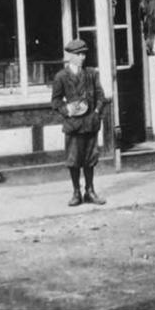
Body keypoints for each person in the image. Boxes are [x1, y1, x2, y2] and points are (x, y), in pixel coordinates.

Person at [51, 38, 111, 207]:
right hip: (73, 125)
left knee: (90, 159)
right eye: (78, 54)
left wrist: (97, 113)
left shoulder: (92, 73)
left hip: (90, 123)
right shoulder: (61, 77)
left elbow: (101, 97)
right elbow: (55, 102)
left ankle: (90, 191)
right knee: (74, 160)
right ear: (70, 56)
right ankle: (76, 192)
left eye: (84, 53)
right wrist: (67, 110)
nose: (83, 57)